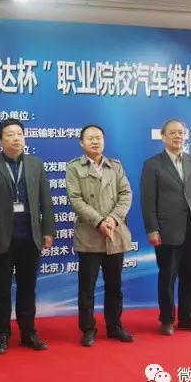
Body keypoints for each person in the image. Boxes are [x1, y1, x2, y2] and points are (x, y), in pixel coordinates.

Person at [0, 119, 55, 354]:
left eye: (19, 133)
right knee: (1, 290)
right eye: (10, 134)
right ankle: (2, 334)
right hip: (1, 239)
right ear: (0, 140)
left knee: (28, 289)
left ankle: (28, 332)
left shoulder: (35, 164)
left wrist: (48, 230)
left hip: (30, 237)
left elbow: (46, 201)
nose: (16, 138)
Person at [140, 119, 191, 336]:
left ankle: (188, 318)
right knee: (168, 277)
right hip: (167, 230)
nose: (177, 136)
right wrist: (153, 229)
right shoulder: (153, 164)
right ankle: (167, 319)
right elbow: (148, 201)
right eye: (172, 132)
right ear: (163, 136)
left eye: (181, 132)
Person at [66, 124, 134, 347]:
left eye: (98, 138)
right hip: (89, 235)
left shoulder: (115, 166)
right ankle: (88, 329)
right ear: (81, 142)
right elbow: (75, 199)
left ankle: (115, 326)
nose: (95, 141)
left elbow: (126, 193)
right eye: (90, 138)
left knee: (115, 286)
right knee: (87, 288)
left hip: (115, 234)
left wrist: (113, 219)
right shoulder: (74, 167)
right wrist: (99, 221)